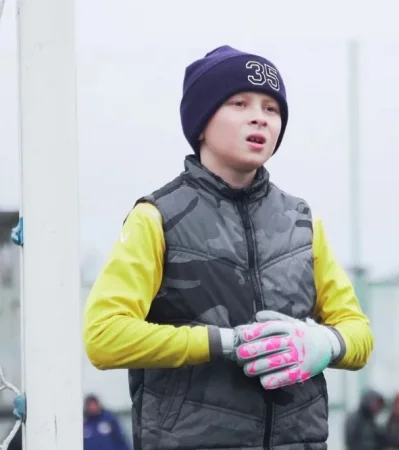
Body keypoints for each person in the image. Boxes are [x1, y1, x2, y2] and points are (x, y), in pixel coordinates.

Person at [82, 44, 374, 450]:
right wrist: (225, 342)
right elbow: (104, 336)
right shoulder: (156, 217)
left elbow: (358, 333)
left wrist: (324, 344)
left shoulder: (302, 222)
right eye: (239, 103)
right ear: (201, 123)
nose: (260, 117)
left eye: (272, 109)